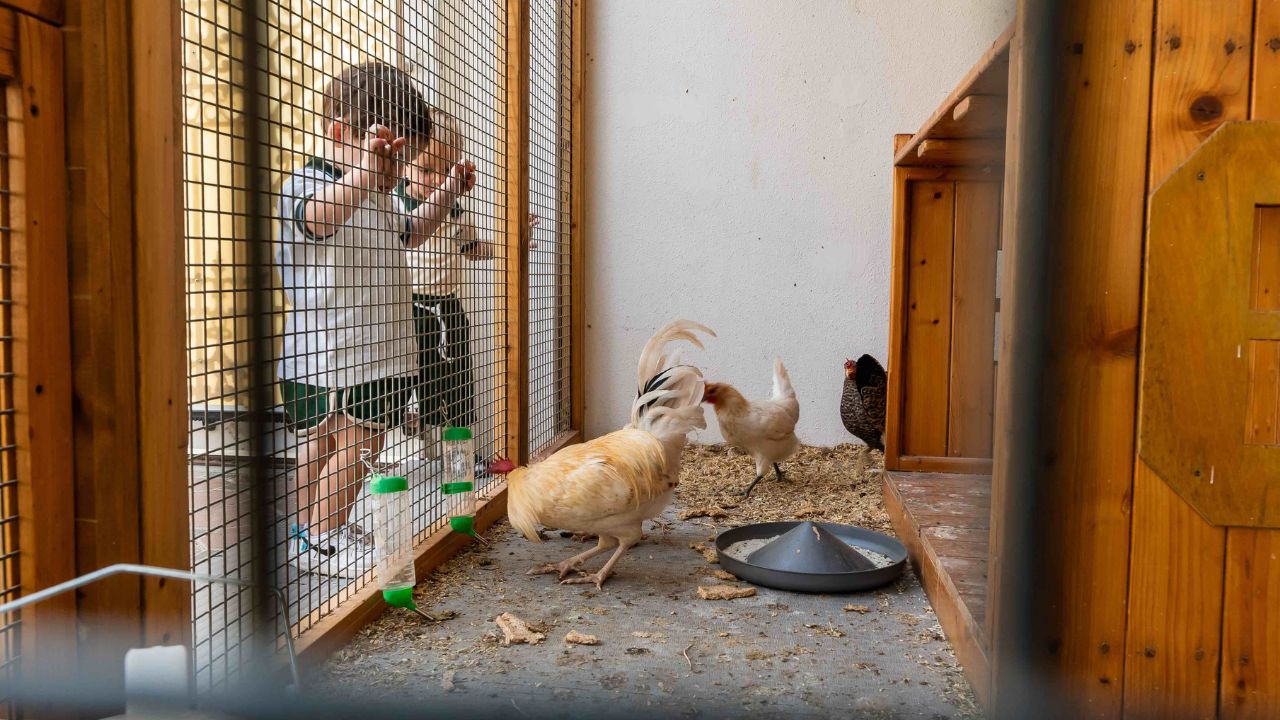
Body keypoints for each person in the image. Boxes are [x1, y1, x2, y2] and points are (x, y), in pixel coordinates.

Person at [277, 62, 476, 577]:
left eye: (399, 163)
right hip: (337, 347)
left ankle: (307, 532)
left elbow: (409, 232)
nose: (395, 176)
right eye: (392, 162)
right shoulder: (312, 184)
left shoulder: (380, 197)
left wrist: (448, 193)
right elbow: (317, 219)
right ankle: (322, 535)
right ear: (340, 133)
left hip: (368, 347)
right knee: (351, 439)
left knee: (329, 441)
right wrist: (366, 175)